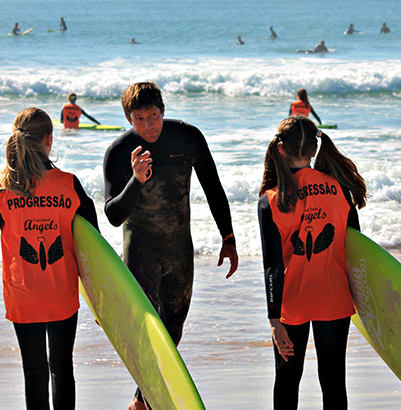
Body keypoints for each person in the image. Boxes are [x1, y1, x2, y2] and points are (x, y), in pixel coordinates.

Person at [103, 82, 238, 410]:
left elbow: (213, 188)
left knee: (174, 328)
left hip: (179, 249)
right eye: (139, 119)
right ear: (128, 119)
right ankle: (145, 400)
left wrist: (228, 238)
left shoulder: (188, 138)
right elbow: (113, 215)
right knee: (148, 331)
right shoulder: (120, 152)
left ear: (163, 111)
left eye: (153, 116)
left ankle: (142, 398)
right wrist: (136, 179)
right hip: (140, 251)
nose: (148, 125)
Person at [0, 108, 98, 410]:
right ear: (49, 138)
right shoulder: (70, 185)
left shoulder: (2, 191)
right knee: (62, 366)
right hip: (61, 292)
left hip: (24, 295)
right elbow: (94, 249)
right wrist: (103, 301)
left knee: (34, 372)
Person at [258, 116, 367, 409]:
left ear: (280, 149)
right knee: (333, 381)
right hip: (334, 298)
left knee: (287, 380)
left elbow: (272, 267)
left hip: (291, 303)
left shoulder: (272, 199)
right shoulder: (340, 189)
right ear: (314, 148)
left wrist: (274, 319)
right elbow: (355, 247)